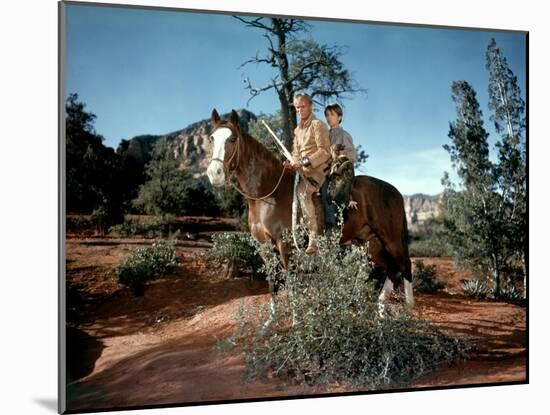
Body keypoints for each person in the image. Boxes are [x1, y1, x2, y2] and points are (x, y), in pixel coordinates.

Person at [283, 93, 331, 254]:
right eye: (297, 107)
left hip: (318, 169)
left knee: (303, 192)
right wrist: (291, 163)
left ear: (310, 106)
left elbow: (324, 152)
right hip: (301, 169)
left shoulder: (318, 125)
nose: (300, 110)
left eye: (303, 106)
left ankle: (314, 239)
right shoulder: (297, 130)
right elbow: (296, 152)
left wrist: (303, 162)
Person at [322, 103, 359, 227]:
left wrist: (339, 157)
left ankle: (332, 223)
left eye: (332, 115)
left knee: (327, 188)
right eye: (327, 115)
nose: (329, 118)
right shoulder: (323, 135)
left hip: (340, 172)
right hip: (324, 169)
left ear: (340, 117)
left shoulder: (344, 135)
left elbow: (353, 156)